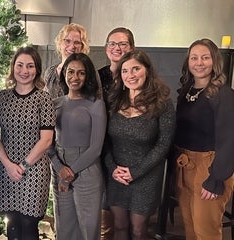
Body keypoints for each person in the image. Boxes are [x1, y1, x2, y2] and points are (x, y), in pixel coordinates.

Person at [104, 50, 175, 240]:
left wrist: (135, 171)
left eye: (136, 68)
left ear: (147, 70)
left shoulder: (163, 104)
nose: (131, 75)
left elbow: (163, 144)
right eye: (125, 71)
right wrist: (113, 168)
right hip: (116, 175)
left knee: (138, 229)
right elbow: (105, 142)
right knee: (119, 226)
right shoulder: (113, 101)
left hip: (146, 176)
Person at [0, 46, 55, 239]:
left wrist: (23, 165)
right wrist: (9, 165)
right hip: (6, 169)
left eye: (30, 66)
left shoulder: (44, 98)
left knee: (29, 224)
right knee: (13, 223)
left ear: (37, 70)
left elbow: (47, 139)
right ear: (13, 67)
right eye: (20, 65)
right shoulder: (1, 98)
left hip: (34, 170)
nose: (24, 71)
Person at [174, 38, 234, 240]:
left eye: (205, 57)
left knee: (205, 232)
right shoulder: (186, 92)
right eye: (194, 58)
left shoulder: (224, 95)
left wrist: (216, 178)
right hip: (185, 164)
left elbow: (229, 139)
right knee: (190, 228)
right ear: (188, 62)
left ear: (214, 61)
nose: (199, 63)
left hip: (210, 167)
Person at [47, 53, 106, 240]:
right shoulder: (54, 104)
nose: (75, 77)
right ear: (64, 73)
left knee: (88, 229)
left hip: (87, 169)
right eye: (71, 72)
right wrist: (59, 168)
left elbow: (96, 148)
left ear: (87, 76)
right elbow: (47, 142)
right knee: (64, 228)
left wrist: (69, 173)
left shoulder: (96, 105)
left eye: (81, 73)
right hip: (59, 166)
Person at [97, 27, 135, 240]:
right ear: (106, 48)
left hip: (129, 152)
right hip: (102, 149)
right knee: (106, 208)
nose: (117, 48)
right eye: (112, 43)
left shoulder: (139, 77)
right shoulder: (97, 76)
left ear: (131, 48)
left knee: (129, 216)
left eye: (122, 44)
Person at [44, 23, 89, 99]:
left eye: (77, 42)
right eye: (67, 41)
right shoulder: (50, 72)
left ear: (82, 47)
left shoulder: (89, 72)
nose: (72, 46)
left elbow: (97, 103)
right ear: (60, 43)